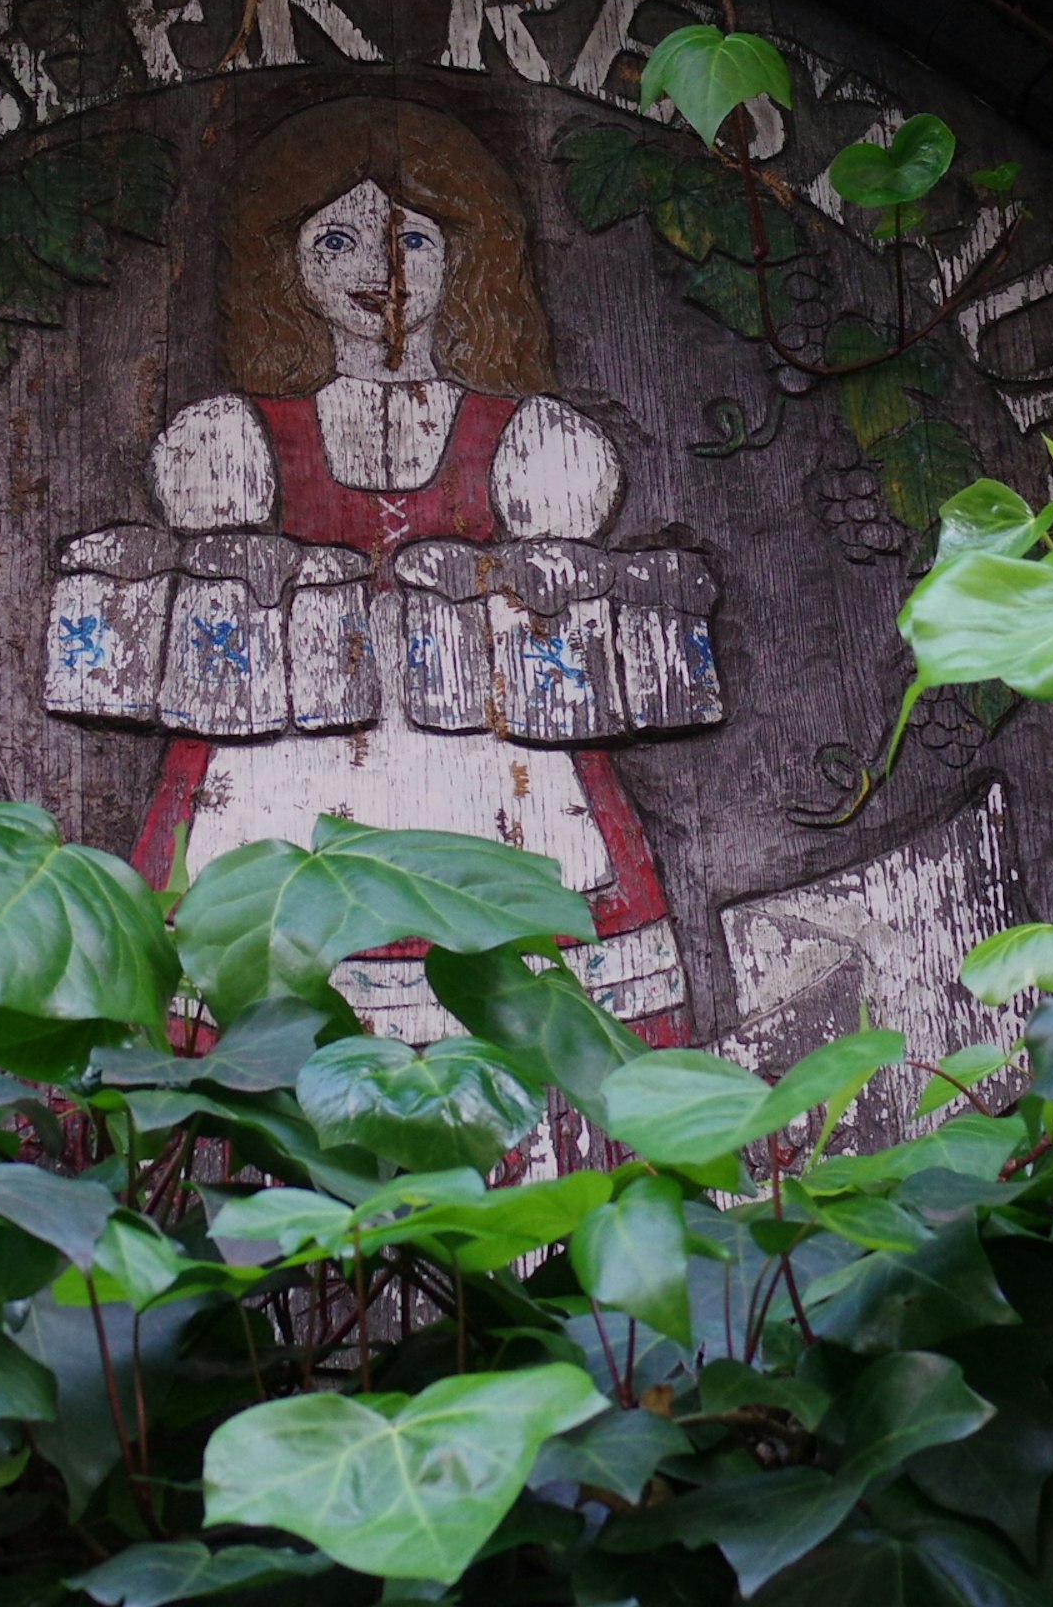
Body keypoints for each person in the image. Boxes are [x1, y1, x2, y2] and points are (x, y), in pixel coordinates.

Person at [48, 96, 702, 1039]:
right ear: (285, 265)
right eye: (336, 243)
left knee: (528, 1002)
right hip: (283, 764)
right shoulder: (232, 439)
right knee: (258, 1001)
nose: (378, 273)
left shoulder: (535, 441)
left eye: (414, 242)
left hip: (493, 763)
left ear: (469, 256)